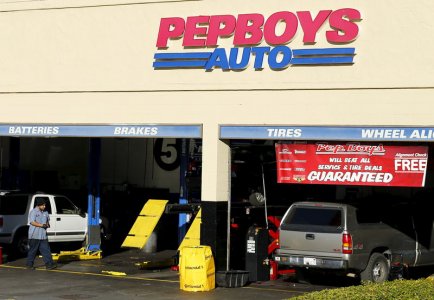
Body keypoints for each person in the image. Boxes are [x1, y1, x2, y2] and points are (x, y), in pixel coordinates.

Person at [26, 198, 57, 270]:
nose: (44, 206)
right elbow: (32, 222)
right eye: (43, 205)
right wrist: (42, 225)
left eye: (45, 205)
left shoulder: (45, 212)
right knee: (33, 251)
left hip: (43, 235)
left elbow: (47, 221)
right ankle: (29, 265)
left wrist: (47, 224)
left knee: (46, 250)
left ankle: (49, 265)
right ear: (39, 205)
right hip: (34, 235)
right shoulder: (33, 212)